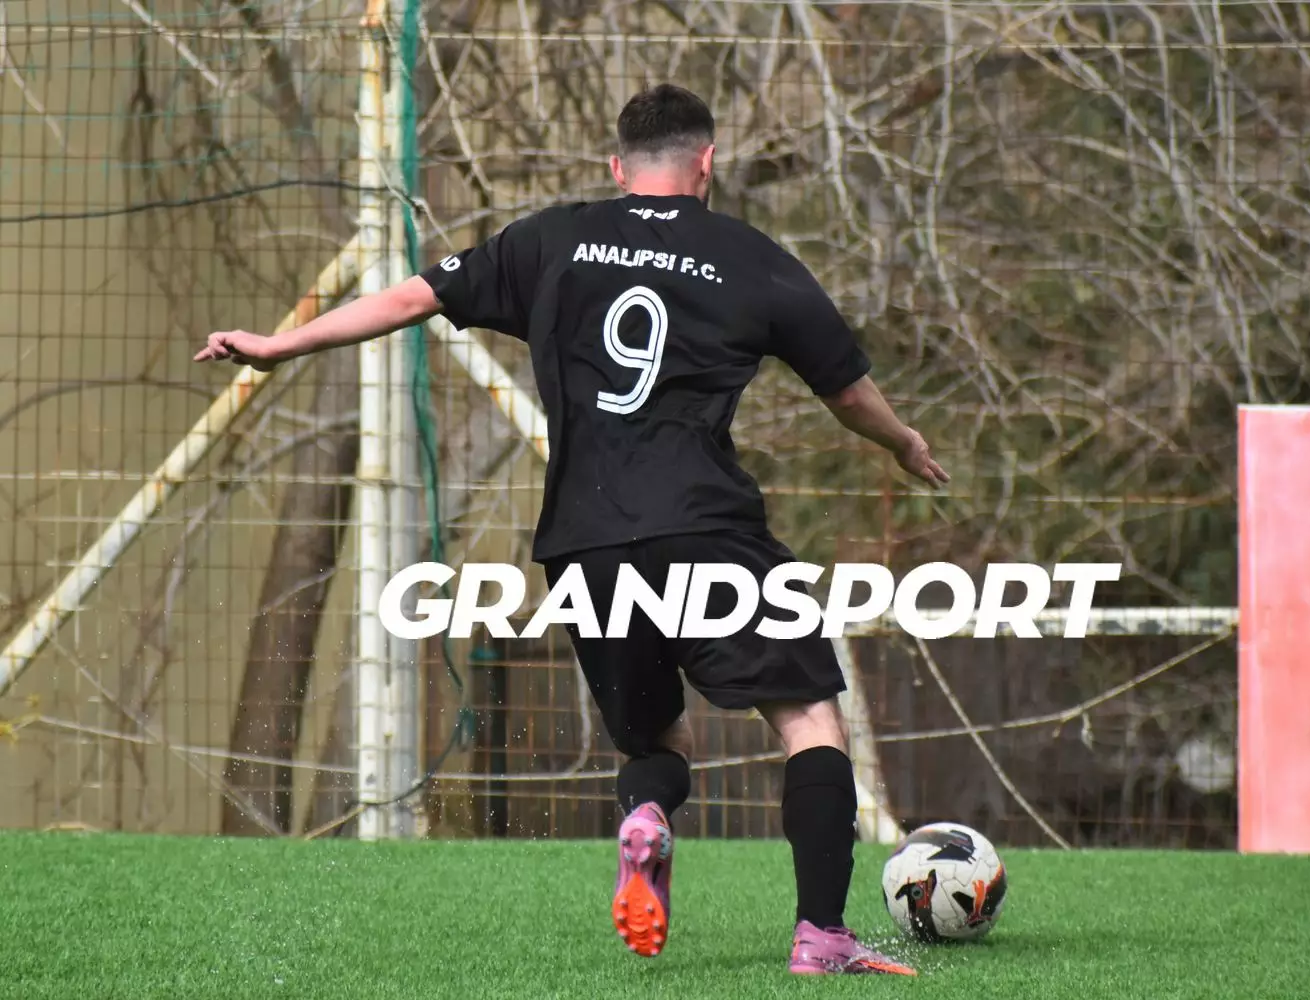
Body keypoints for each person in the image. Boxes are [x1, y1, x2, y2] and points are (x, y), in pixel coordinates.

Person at [196, 83, 947, 976]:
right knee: (810, 716)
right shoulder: (751, 258)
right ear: (707, 162)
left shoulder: (551, 239)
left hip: (583, 541)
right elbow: (848, 393)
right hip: (704, 527)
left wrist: (279, 345)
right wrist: (903, 442)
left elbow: (409, 298)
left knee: (656, 742)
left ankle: (647, 817)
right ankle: (821, 936)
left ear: (617, 166)